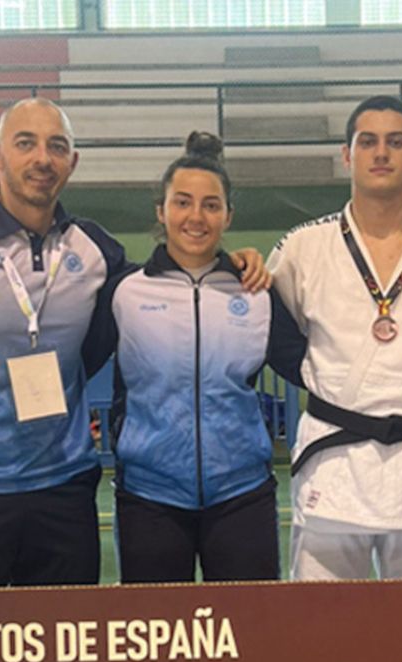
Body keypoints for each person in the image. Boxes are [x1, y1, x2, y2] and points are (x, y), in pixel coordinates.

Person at [0, 98, 269, 588]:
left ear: (72, 162)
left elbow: (169, 292)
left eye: (57, 146)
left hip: (64, 491)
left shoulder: (96, 251)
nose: (42, 158)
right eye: (26, 143)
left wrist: (233, 262)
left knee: (66, 660)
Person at [267, 96, 402, 581]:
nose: (380, 153)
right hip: (333, 467)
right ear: (348, 155)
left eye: (395, 142)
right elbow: (265, 327)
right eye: (368, 142)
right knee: (325, 634)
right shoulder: (304, 247)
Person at [84, 132, 305, 583]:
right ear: (161, 211)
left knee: (251, 641)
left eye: (210, 205)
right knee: (159, 648)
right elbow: (71, 371)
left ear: (228, 215)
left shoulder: (257, 291)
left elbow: (313, 369)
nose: (196, 217)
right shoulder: (125, 292)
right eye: (182, 202)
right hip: (149, 500)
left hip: (243, 497)